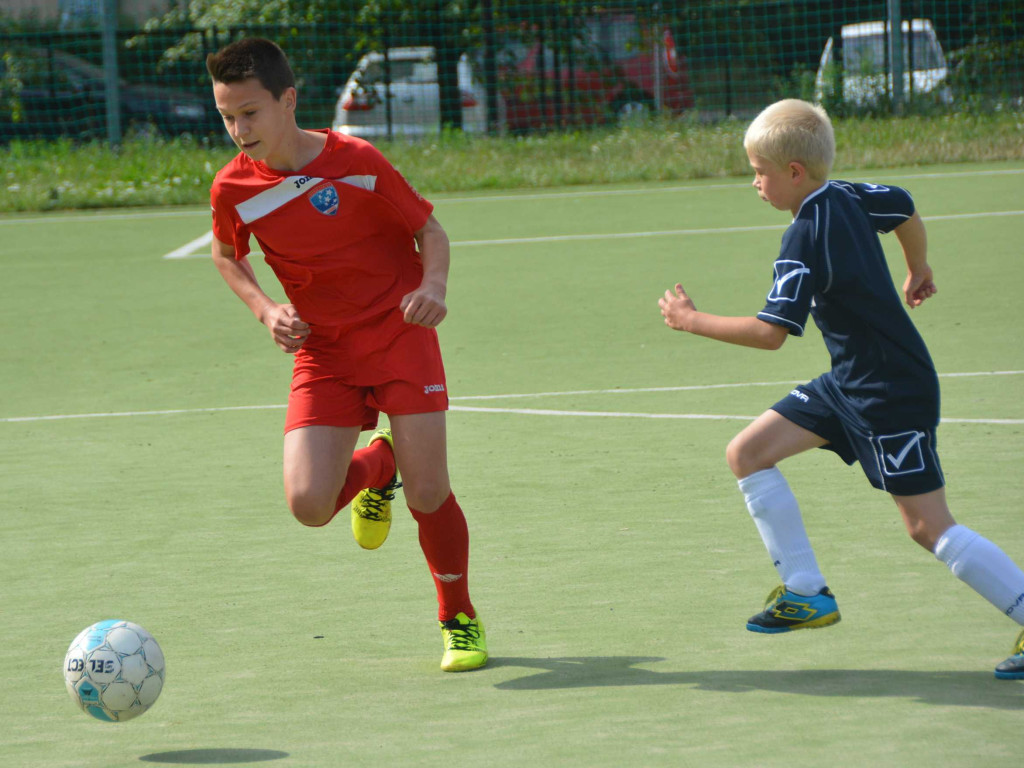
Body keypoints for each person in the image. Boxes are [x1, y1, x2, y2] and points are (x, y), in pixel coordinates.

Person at [658, 98, 1024, 679]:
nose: (755, 183)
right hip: (851, 380)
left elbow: (771, 333)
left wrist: (690, 320)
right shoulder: (849, 193)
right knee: (747, 453)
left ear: (795, 173)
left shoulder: (803, 235)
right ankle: (807, 592)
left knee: (928, 526)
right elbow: (903, 207)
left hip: (889, 393)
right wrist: (918, 266)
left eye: (760, 172)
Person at [205, 38, 486, 672]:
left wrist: (432, 286)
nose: (238, 129)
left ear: (288, 100)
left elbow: (429, 231)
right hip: (323, 352)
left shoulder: (356, 159)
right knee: (308, 505)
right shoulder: (233, 187)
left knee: (431, 491)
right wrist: (266, 310)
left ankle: (457, 616)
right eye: (226, 115)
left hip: (398, 334)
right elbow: (227, 253)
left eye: (250, 112)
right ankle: (379, 464)